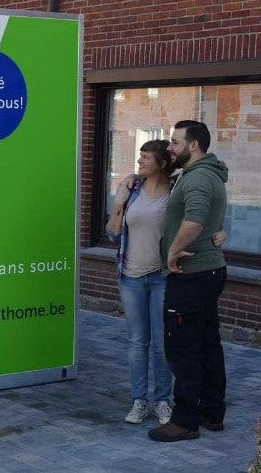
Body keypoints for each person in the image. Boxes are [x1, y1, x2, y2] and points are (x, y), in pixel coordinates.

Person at [107, 139, 225, 426]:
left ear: (161, 162)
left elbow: (201, 217)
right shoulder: (132, 189)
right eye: (139, 157)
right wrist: (119, 203)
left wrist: (220, 233)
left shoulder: (177, 190)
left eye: (146, 157)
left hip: (162, 277)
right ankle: (139, 401)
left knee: (163, 343)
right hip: (131, 276)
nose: (140, 162)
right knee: (137, 341)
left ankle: (163, 401)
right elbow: (112, 233)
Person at [148, 120, 228, 443]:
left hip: (191, 275)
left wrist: (173, 251)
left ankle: (184, 421)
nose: (170, 147)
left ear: (193, 146)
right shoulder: (209, 174)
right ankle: (212, 413)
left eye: (175, 142)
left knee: (183, 347)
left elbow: (194, 220)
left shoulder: (197, 178)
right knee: (208, 344)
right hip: (208, 272)